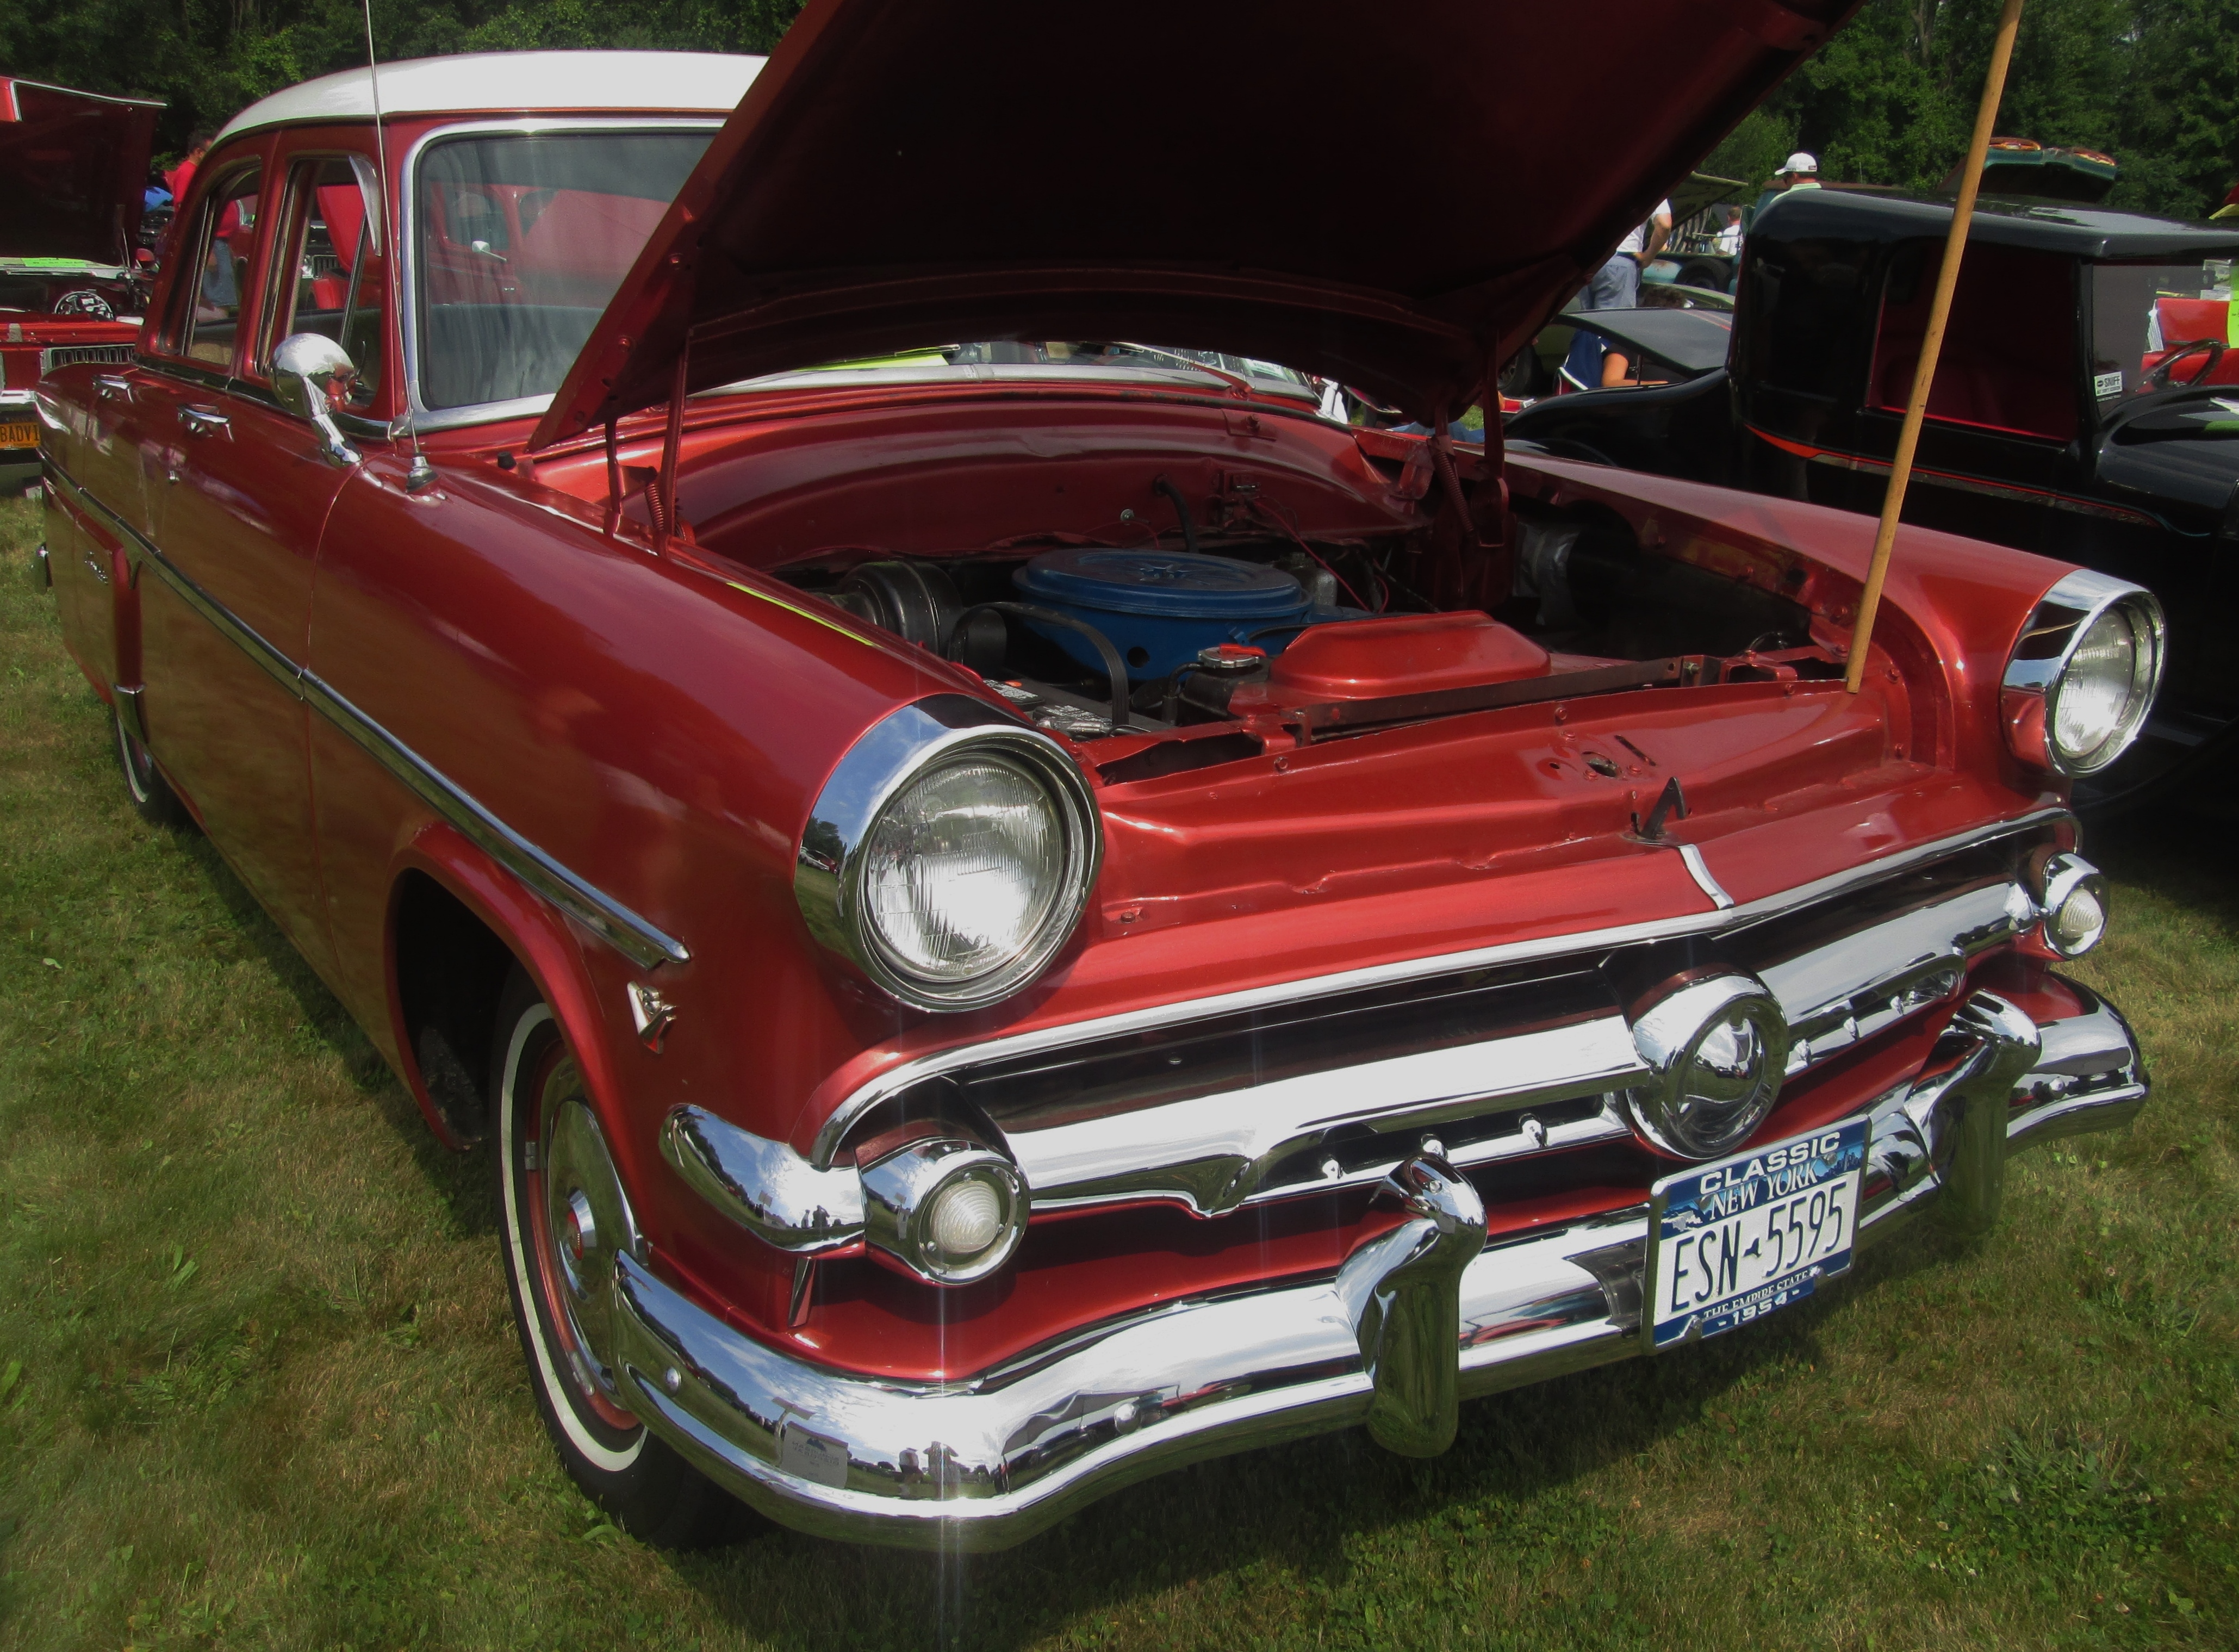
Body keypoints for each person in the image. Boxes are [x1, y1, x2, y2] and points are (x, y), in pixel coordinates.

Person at [1563, 198, 1672, 389]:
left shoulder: (1609, 176)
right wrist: (1648, 257)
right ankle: (1603, 392)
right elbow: (1664, 225)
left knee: (1588, 329)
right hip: (1620, 262)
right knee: (1613, 334)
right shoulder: (1653, 182)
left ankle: (1576, 382)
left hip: (1588, 260)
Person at [164, 129, 214, 210]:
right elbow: (184, 207)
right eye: (211, 152)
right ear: (199, 152)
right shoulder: (187, 172)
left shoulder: (197, 172)